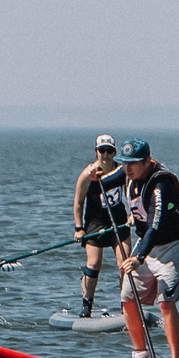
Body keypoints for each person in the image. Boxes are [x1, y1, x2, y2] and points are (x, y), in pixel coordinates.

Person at [115, 139, 179, 358]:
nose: (127, 169)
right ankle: (140, 357)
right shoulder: (129, 173)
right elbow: (110, 179)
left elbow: (155, 227)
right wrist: (96, 178)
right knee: (128, 296)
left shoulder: (161, 185)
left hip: (174, 244)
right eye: (124, 164)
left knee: (165, 302)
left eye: (133, 164)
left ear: (147, 161)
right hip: (148, 244)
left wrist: (138, 257)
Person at [69, 134, 127, 318]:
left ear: (114, 152)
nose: (106, 154)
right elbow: (78, 203)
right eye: (102, 150)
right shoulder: (88, 175)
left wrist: (135, 214)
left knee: (124, 265)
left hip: (118, 222)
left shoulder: (122, 172)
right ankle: (87, 304)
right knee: (93, 263)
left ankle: (127, 306)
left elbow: (133, 194)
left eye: (109, 151)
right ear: (96, 152)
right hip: (95, 223)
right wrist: (79, 228)